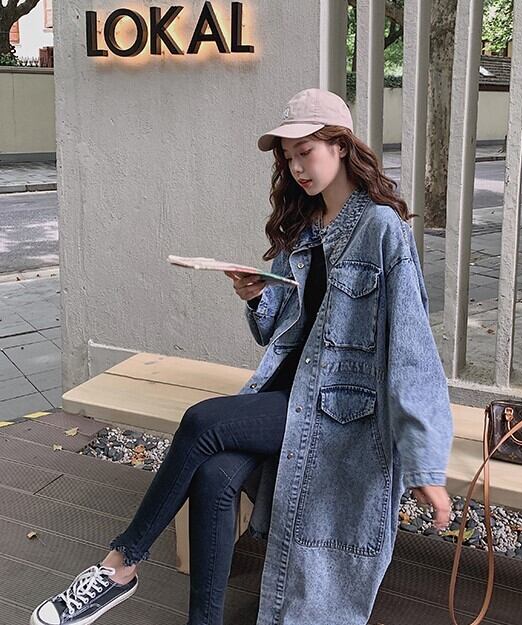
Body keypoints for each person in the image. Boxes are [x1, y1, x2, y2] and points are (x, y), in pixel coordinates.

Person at [30, 87, 453, 625]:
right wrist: (256, 297)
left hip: (337, 413)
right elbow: (276, 333)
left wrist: (425, 463)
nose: (296, 167)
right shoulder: (303, 227)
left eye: (306, 151)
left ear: (341, 146)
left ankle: (119, 566)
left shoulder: (380, 228)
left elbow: (413, 351)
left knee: (202, 421)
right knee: (215, 474)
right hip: (284, 394)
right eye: (288, 157)